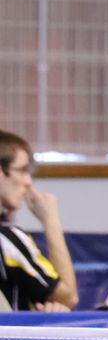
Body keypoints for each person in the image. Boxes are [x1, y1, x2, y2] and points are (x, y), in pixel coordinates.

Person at [1, 130, 78, 312]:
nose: (28, 181)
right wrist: (50, 220)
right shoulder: (8, 241)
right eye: (22, 170)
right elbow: (68, 297)